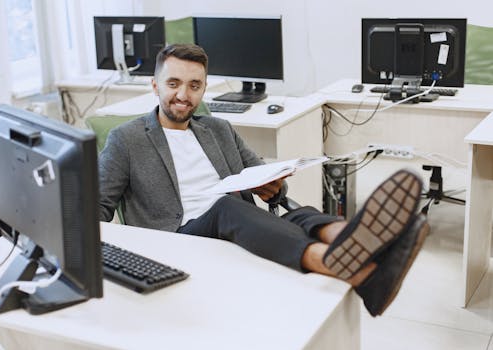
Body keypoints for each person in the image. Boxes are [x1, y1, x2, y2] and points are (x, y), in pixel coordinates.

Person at [98, 44, 429, 317]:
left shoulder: (219, 129)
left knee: (301, 214)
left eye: (194, 85)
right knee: (227, 206)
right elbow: (98, 207)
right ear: (155, 85)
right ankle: (332, 261)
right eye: (173, 84)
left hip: (234, 223)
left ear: (204, 88)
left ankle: (361, 251)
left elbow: (267, 181)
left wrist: (272, 187)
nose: (183, 95)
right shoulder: (126, 139)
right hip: (183, 235)